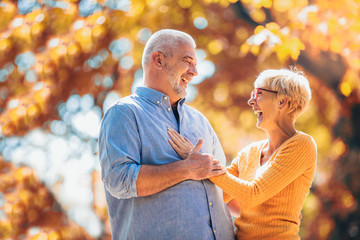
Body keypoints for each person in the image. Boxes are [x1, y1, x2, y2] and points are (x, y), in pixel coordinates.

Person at [98, 29, 234, 240]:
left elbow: (226, 191)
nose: (194, 71)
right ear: (158, 60)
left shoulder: (201, 122)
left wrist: (273, 214)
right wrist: (186, 169)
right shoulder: (124, 113)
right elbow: (119, 181)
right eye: (187, 61)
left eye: (195, 64)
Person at [168, 68, 317, 240]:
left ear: (282, 102)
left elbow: (254, 193)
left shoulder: (302, 145)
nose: (250, 101)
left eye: (258, 93)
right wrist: (187, 169)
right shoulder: (249, 152)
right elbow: (220, 194)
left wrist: (205, 165)